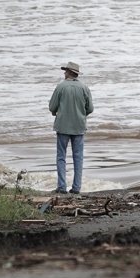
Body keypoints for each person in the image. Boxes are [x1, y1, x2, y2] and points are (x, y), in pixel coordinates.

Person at [49, 61, 94, 194]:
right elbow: (90, 108)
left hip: (62, 126)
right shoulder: (84, 88)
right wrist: (81, 114)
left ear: (68, 73)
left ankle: (62, 187)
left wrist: (55, 112)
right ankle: (76, 187)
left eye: (65, 71)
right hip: (79, 127)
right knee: (78, 157)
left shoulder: (60, 87)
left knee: (61, 157)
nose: (64, 74)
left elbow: (52, 107)